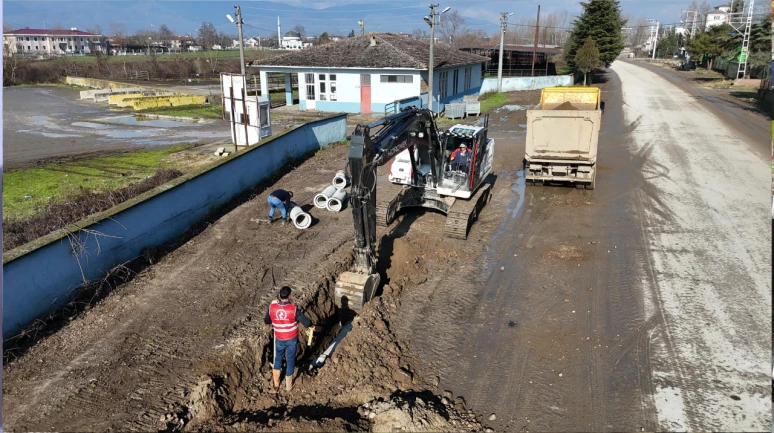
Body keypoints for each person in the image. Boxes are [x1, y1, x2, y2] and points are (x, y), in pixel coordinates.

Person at [264, 286, 314, 392]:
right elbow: (307, 322)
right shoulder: (293, 309)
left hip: (279, 338)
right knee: (290, 361)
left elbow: (267, 321)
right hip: (291, 339)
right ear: (289, 296)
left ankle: (276, 385)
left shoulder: (272, 308)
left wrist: (272, 308)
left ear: (279, 296)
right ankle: (288, 387)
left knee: (278, 359)